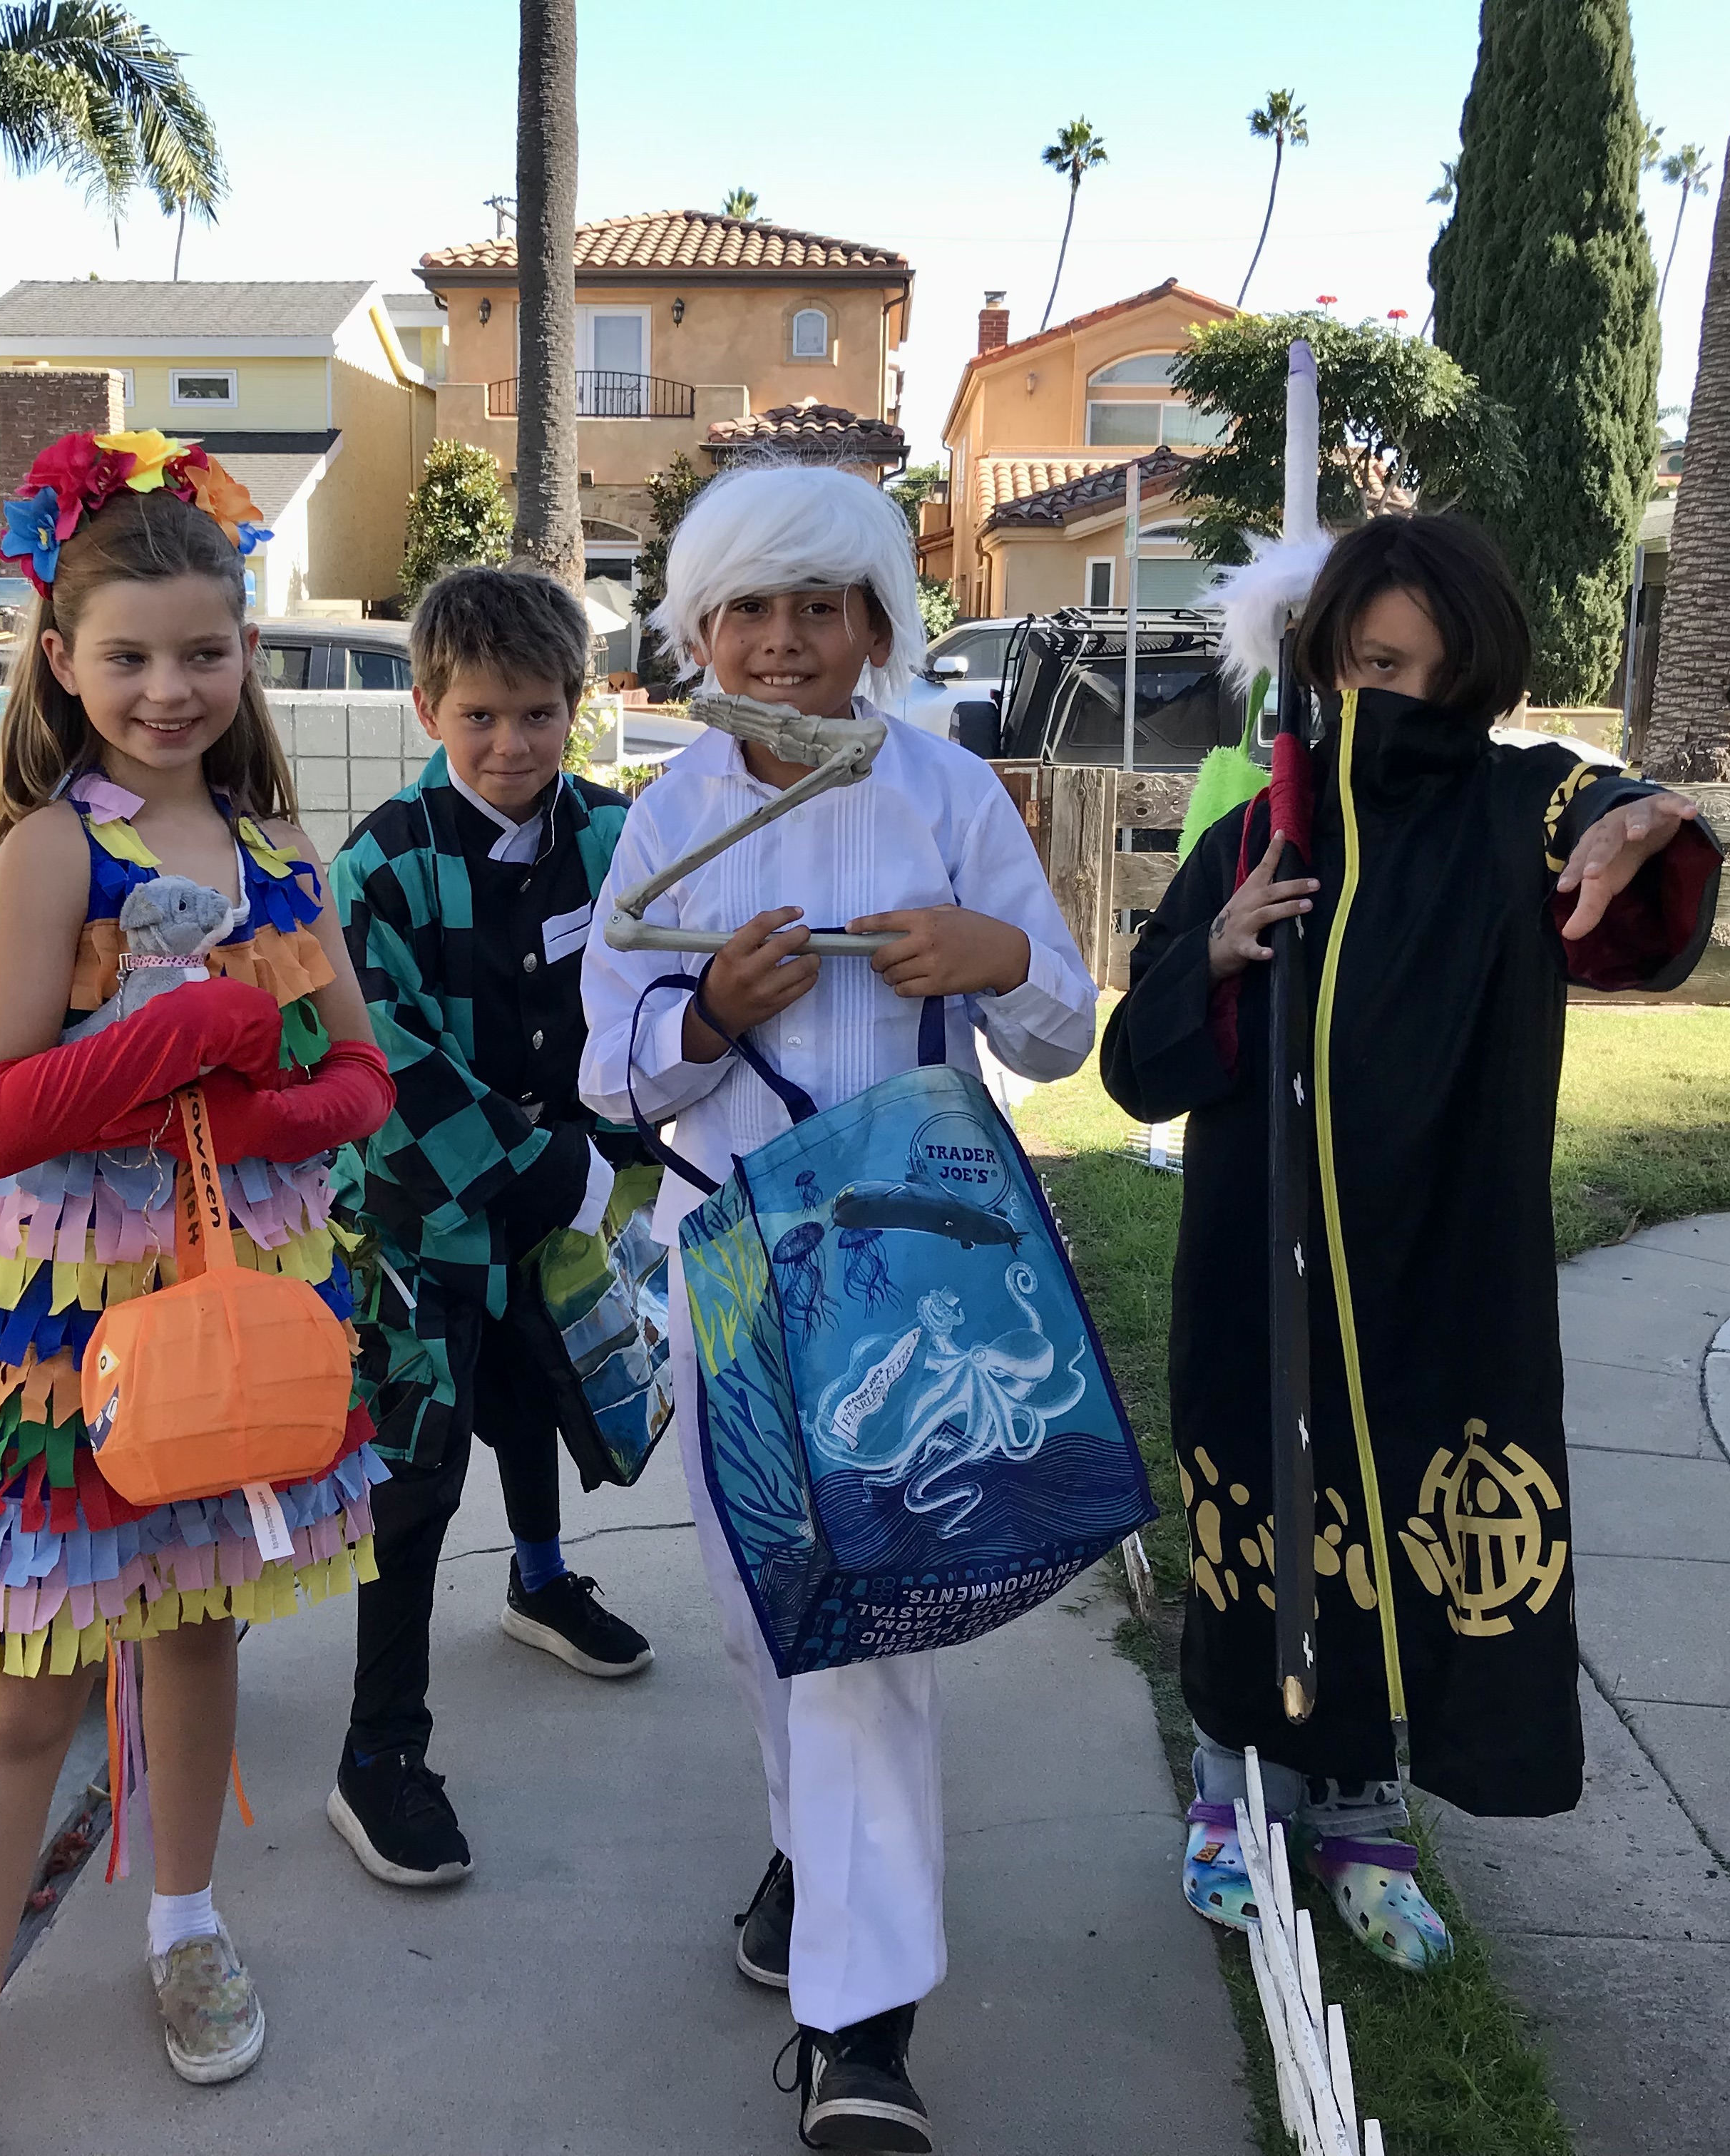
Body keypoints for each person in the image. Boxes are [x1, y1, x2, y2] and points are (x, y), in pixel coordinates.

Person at [1100, 513, 1719, 1973]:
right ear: (1323, 660)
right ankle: (1233, 1796)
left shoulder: (1521, 807)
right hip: (1257, 1272)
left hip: (1439, 1272)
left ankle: (1368, 1820)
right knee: (1261, 1542)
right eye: (1374, 663)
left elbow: (1618, 862)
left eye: (1435, 678)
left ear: (1483, 686)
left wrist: (1647, 821)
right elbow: (1136, 1063)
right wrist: (1220, 949)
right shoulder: (1258, 832)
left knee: (1404, 1536)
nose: (1400, 704)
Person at [579, 464, 1095, 2154]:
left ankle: (862, 2030)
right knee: (765, 1615)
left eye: (823, 606)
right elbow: (617, 1069)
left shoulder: (950, 794)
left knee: (866, 1632)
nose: (786, 640)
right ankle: (815, 1863)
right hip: (730, 1279)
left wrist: (995, 961)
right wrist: (707, 1013)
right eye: (750, 609)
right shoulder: (664, 820)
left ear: (881, 621)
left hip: (912, 1288)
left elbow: (1066, 1022)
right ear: (698, 631)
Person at [0, 429, 396, 2156]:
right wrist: (188, 1033)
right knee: (26, 1684)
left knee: (195, 1622)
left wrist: (248, 1076)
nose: (170, 687)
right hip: (66, 1325)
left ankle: (184, 1922)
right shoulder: (52, 853)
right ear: (61, 660)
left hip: (234, 1305)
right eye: (130, 656)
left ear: (247, 650)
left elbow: (362, 1081)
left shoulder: (278, 845)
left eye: (204, 651)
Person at [324, 564, 655, 1889]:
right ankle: (378, 1752)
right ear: (426, 711)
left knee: (540, 1400)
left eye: (536, 714)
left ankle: (539, 1578)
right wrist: (539, 1170)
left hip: (572, 1198)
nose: (510, 746)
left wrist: (612, 1155)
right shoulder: (382, 861)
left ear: (578, 706)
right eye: (480, 719)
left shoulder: (620, 837)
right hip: (421, 1221)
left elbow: (651, 995)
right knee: (409, 1480)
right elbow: (377, 1054)